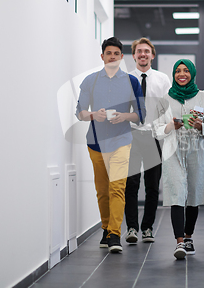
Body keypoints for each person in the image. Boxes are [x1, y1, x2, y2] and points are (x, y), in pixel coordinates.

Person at [75, 37, 145, 253]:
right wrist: (94, 114)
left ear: (122, 57)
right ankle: (106, 228)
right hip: (95, 143)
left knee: (117, 188)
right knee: (102, 190)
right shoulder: (90, 81)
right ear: (102, 56)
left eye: (116, 53)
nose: (112, 56)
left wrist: (125, 116)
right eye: (108, 53)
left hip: (121, 141)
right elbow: (80, 113)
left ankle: (115, 234)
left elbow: (140, 115)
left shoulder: (132, 82)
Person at [152, 59, 204, 259]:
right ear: (174, 75)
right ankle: (179, 242)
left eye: (185, 71)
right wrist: (171, 126)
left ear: (192, 73)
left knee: (193, 194)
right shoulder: (164, 100)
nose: (182, 74)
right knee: (176, 193)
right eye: (178, 71)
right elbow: (156, 130)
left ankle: (188, 236)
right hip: (173, 152)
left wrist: (201, 126)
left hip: (196, 151)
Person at [125, 38, 171, 244]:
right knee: (131, 184)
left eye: (146, 51)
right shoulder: (124, 79)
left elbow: (167, 109)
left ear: (152, 55)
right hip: (132, 135)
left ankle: (147, 228)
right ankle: (132, 228)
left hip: (154, 137)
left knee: (152, 186)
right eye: (139, 51)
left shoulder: (162, 80)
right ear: (134, 55)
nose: (143, 54)